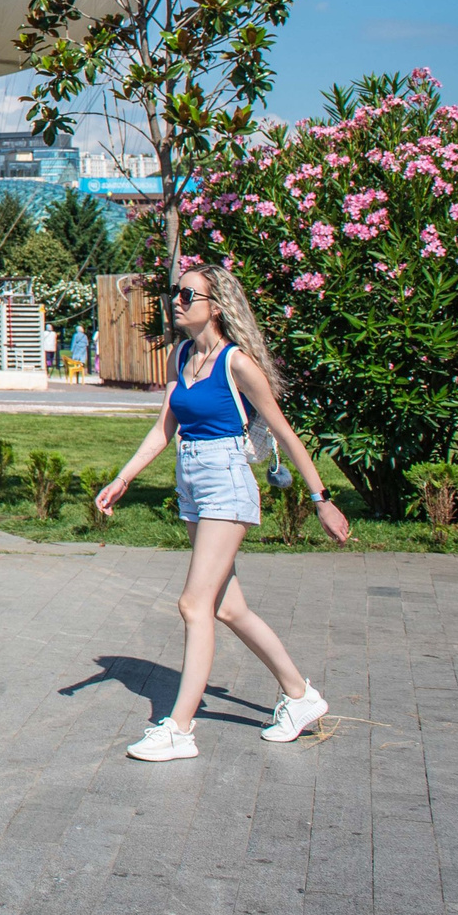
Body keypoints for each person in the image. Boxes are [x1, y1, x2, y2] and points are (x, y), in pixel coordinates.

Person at [96, 263, 350, 762]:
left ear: (217, 306)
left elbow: (284, 433)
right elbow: (163, 429)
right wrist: (123, 477)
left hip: (227, 482)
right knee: (228, 607)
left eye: (189, 295)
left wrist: (321, 499)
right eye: (177, 292)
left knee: (194, 605)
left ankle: (180, 728)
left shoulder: (237, 364)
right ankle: (301, 696)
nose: (178, 300)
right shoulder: (183, 355)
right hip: (192, 481)